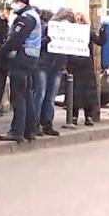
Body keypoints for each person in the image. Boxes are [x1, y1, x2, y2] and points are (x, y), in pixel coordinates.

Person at [0, 0, 41, 142]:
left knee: (18, 96)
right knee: (27, 95)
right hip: (30, 58)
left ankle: (17, 131)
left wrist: (2, 51)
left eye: (17, 0)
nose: (14, 3)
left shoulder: (26, 18)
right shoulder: (32, 15)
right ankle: (30, 130)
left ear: (24, 1)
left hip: (21, 58)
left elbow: (16, 39)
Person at [33, 8, 73, 136]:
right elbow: (39, 43)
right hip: (43, 64)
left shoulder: (69, 34)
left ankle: (47, 123)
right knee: (40, 94)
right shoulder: (46, 29)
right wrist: (47, 40)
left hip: (57, 67)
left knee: (50, 97)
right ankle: (34, 123)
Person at [67, 12, 103, 126]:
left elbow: (100, 42)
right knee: (75, 92)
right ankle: (74, 117)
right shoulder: (70, 32)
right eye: (76, 20)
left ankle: (88, 116)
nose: (78, 22)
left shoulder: (88, 33)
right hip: (74, 65)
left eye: (80, 20)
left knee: (88, 93)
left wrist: (103, 31)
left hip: (86, 66)